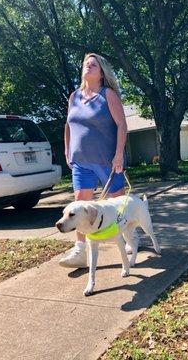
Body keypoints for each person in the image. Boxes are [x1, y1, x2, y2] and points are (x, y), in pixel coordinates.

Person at [59, 53, 139, 268]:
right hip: (81, 161)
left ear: (102, 73)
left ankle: (130, 238)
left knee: (120, 203)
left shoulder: (108, 95)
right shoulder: (74, 96)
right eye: (86, 64)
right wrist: (67, 151)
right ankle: (80, 250)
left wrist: (119, 154)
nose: (88, 66)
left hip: (108, 161)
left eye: (93, 64)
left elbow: (122, 125)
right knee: (79, 204)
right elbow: (68, 125)